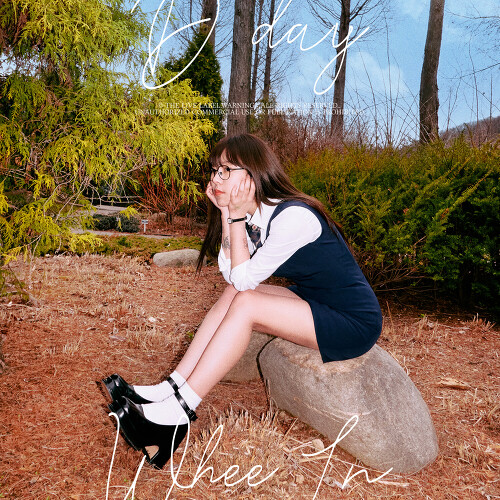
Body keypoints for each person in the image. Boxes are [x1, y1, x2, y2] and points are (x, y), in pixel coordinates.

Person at [103, 133, 382, 469]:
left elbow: (245, 278)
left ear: (252, 174)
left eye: (226, 170)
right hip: (315, 301)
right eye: (214, 170)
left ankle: (178, 413)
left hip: (352, 321)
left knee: (246, 303)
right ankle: (170, 389)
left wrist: (233, 217)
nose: (215, 179)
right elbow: (232, 276)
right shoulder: (253, 216)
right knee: (235, 295)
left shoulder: (294, 217)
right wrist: (227, 214)